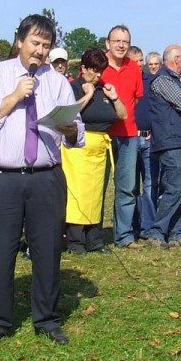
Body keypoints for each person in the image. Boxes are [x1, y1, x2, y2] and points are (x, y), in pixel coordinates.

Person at [0, 14, 84, 347]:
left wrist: (71, 129)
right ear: (19, 41)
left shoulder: (58, 81)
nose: (40, 52)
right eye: (35, 43)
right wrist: (14, 96)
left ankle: (46, 318)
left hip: (46, 177)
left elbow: (78, 132)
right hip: (1, 178)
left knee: (47, 251)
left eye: (46, 46)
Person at [63, 48, 125, 253]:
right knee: (78, 194)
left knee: (96, 193)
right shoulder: (73, 87)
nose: (98, 75)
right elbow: (67, 114)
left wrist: (115, 98)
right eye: (94, 71)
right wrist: (87, 96)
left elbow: (123, 116)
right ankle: (75, 241)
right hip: (78, 146)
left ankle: (94, 239)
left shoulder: (105, 89)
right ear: (83, 68)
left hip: (101, 147)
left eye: (101, 71)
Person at [143, 44, 181, 249]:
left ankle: (178, 233)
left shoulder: (179, 81)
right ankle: (158, 231)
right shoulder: (163, 80)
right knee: (174, 189)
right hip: (172, 142)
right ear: (176, 59)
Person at [101, 25, 144, 249]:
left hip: (128, 135)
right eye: (116, 41)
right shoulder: (98, 67)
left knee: (127, 187)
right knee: (99, 186)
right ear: (107, 43)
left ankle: (124, 235)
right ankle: (94, 234)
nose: (120, 45)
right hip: (102, 135)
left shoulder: (134, 68)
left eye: (125, 42)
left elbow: (136, 98)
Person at [133, 47, 158, 239]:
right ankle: (133, 224)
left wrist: (155, 131)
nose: (140, 64)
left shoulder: (151, 81)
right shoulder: (124, 81)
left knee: (150, 184)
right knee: (131, 185)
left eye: (142, 60)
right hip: (130, 139)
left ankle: (148, 225)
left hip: (149, 138)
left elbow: (158, 109)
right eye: (137, 61)